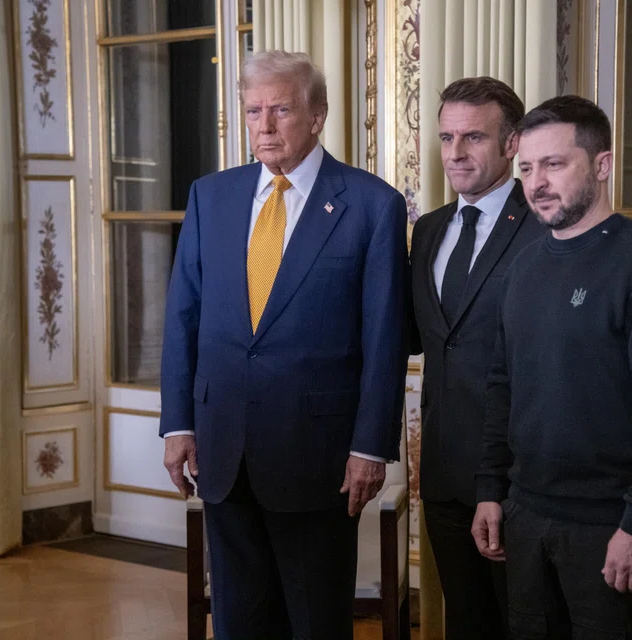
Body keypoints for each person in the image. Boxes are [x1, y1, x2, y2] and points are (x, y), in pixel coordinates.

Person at [159, 51, 409, 640]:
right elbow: (182, 316)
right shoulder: (210, 196)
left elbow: (385, 339)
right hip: (223, 449)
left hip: (319, 457)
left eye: (281, 110)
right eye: (253, 111)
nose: (265, 126)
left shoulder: (372, 205)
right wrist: (178, 425)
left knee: (316, 623)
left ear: (317, 116)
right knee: (239, 621)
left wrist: (370, 446)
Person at [472, 95, 632, 639]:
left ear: (602, 165)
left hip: (612, 524)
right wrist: (489, 489)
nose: (537, 183)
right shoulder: (523, 268)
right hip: (525, 516)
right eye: (527, 168)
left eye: (554, 164)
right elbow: (503, 385)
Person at [409, 77, 543, 639]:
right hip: (442, 475)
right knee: (466, 624)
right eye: (446, 138)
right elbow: (418, 336)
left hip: (517, 479)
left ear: (512, 143)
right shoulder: (429, 229)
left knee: (524, 626)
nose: (456, 153)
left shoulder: (543, 225)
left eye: (473, 137)